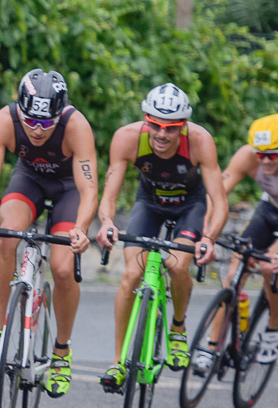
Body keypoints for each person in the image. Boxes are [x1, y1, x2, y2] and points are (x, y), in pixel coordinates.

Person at [0, 69, 97, 398]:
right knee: (7, 234)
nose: (37, 130)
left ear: (60, 114)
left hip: (68, 191)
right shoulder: (4, 121)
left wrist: (80, 228)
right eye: (30, 121)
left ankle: (61, 351)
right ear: (20, 109)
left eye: (46, 123)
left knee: (64, 268)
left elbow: (89, 187)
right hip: (30, 181)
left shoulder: (76, 126)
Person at [95, 83, 227, 390]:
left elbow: (219, 202)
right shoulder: (126, 138)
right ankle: (118, 362)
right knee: (131, 274)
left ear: (183, 125)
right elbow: (110, 192)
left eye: (171, 128)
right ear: (145, 118)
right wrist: (106, 222)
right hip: (150, 203)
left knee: (178, 265)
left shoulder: (200, 141)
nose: (162, 134)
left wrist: (208, 237)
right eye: (154, 125)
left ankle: (178, 327)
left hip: (189, 207)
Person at [205, 113, 278, 366]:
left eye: (273, 154)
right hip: (268, 213)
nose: (265, 160)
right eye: (260, 154)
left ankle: (275, 324)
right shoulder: (247, 155)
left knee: (270, 267)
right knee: (233, 274)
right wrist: (206, 232)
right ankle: (211, 348)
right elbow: (216, 194)